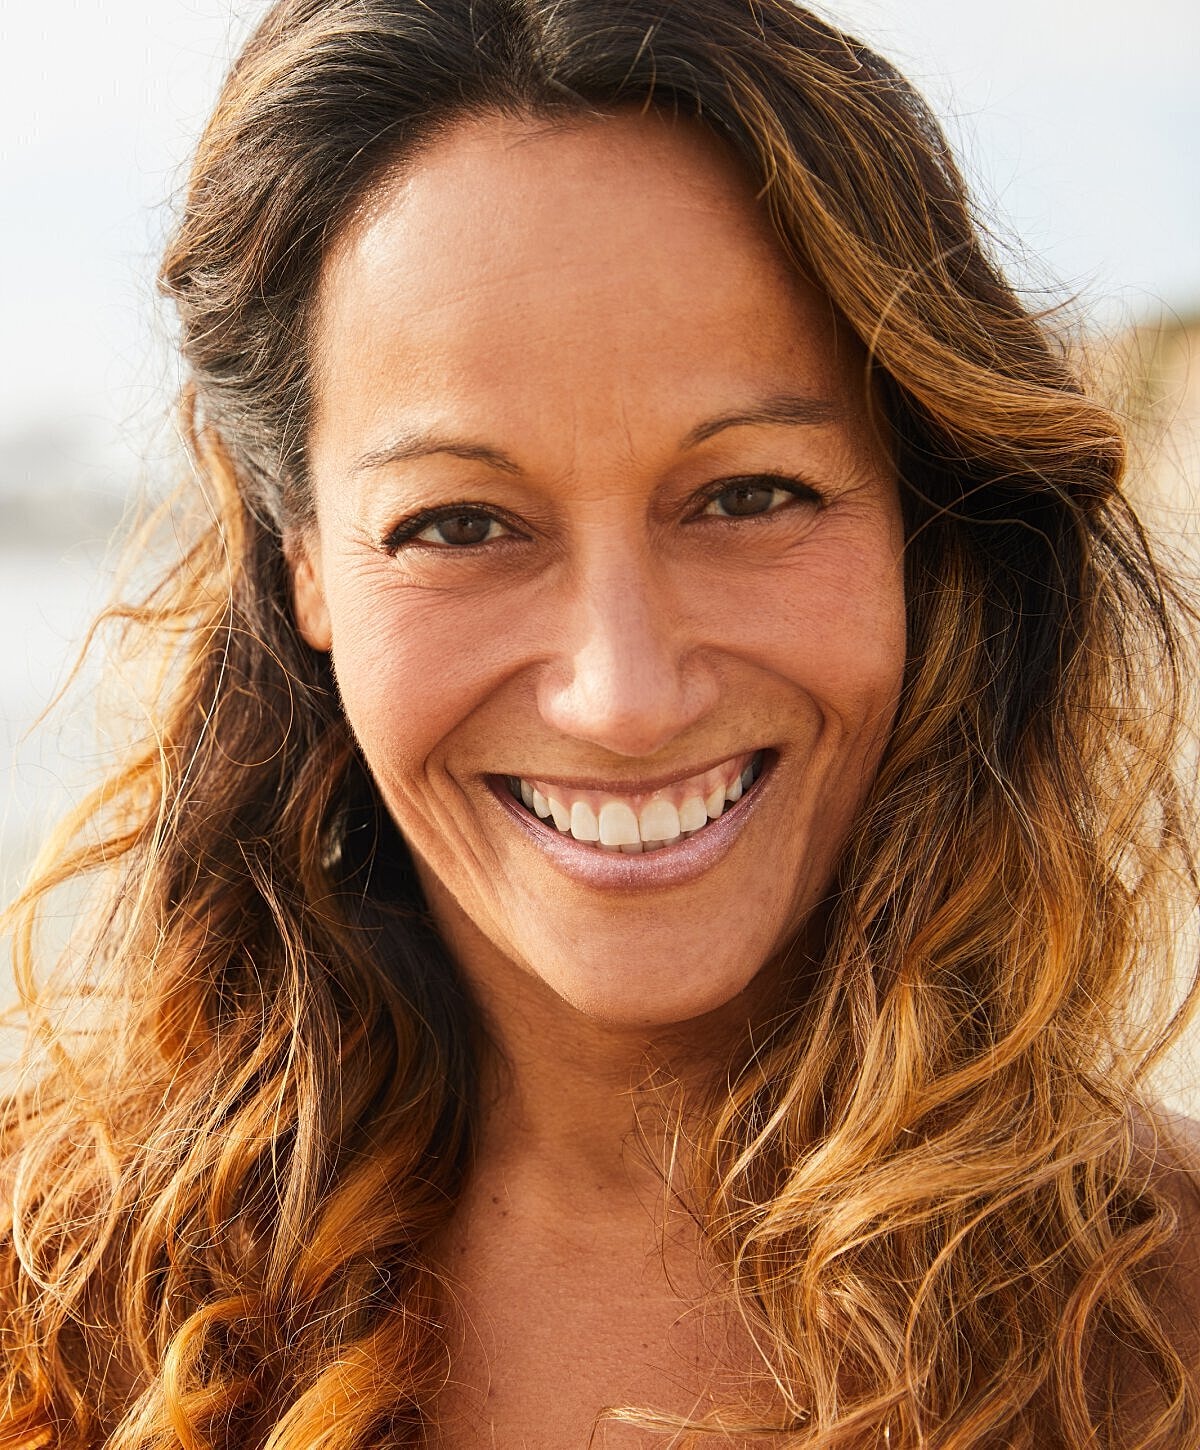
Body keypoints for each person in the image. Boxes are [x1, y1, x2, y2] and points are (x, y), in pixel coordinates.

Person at [2, 0, 1198, 1444]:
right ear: (299, 555)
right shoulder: (49, 1299)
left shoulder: (1166, 1310)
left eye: (750, 494)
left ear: (920, 517)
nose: (623, 695)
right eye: (461, 521)